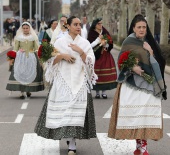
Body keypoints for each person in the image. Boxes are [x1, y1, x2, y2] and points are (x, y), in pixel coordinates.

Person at [34, 16, 97, 155]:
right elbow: (50, 61)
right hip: (62, 83)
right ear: (68, 26)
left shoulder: (85, 43)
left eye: (80, 24)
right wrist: (63, 56)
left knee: (75, 113)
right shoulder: (60, 42)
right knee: (65, 112)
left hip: (79, 82)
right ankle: (69, 138)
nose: (78, 27)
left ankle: (72, 143)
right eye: (75, 24)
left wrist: (81, 52)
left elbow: (91, 63)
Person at [108, 14, 167, 155]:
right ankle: (139, 145)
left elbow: (159, 62)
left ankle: (144, 147)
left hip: (149, 84)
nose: (142, 29)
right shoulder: (128, 42)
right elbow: (121, 62)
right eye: (139, 27)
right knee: (136, 116)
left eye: (144, 27)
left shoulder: (149, 42)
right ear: (133, 28)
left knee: (146, 115)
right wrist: (132, 68)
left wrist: (151, 52)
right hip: (132, 83)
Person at [6, 22, 44, 99]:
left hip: (31, 57)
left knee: (29, 73)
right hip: (21, 57)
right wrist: (12, 57)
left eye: (27, 28)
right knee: (21, 73)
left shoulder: (33, 37)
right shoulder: (19, 37)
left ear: (29, 29)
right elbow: (16, 48)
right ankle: (21, 92)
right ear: (22, 29)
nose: (25, 30)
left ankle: (28, 90)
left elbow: (36, 48)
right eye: (24, 28)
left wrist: (40, 57)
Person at [87, 18, 117, 99]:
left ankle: (104, 92)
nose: (100, 25)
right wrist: (98, 41)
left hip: (105, 55)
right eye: (99, 24)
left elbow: (110, 42)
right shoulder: (91, 33)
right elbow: (89, 45)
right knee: (97, 73)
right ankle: (97, 92)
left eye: (101, 23)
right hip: (96, 55)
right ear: (95, 25)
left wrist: (106, 44)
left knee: (105, 74)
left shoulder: (104, 32)